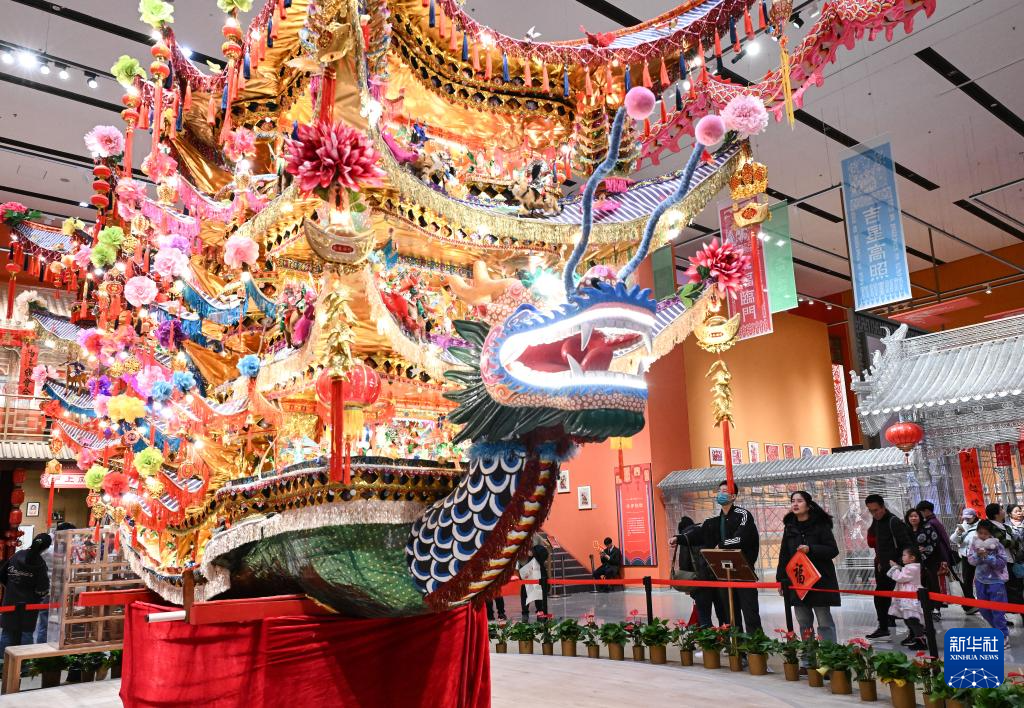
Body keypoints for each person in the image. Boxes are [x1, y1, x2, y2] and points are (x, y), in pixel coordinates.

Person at [776, 491, 840, 657]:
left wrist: (811, 549)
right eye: (793, 501)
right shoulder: (790, 527)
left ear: (808, 505)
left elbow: (833, 550)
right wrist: (781, 580)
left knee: (824, 621)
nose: (795, 504)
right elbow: (784, 555)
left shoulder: (821, 525)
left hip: (819, 581)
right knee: (804, 622)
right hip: (798, 581)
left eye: (799, 501)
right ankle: (808, 660)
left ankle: (830, 658)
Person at [701, 481, 761, 633]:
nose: (720, 494)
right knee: (731, 614)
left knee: (750, 613)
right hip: (724, 572)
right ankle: (736, 644)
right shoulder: (717, 519)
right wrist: (679, 538)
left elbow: (741, 538)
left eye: (725, 491)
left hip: (743, 571)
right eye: (719, 491)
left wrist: (721, 546)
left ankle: (755, 644)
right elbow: (699, 532)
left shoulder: (743, 514)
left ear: (733, 496)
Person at [865, 494, 913, 638]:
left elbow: (906, 545)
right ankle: (883, 626)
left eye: (876, 510)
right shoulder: (877, 522)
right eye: (871, 511)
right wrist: (880, 561)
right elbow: (880, 545)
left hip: (898, 568)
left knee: (906, 601)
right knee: (880, 597)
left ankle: (915, 633)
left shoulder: (893, 521)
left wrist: (899, 563)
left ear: (883, 507)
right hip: (885, 568)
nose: (874, 513)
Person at [0, 534, 52, 662]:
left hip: (10, 601)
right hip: (29, 604)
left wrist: (11, 587)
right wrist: (37, 596)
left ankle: (3, 663)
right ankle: (24, 665)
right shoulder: (40, 564)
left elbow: (2, 575)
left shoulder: (17, 555)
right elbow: (43, 588)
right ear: (46, 548)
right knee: (26, 633)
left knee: (7, 632)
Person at [670, 516, 725, 627]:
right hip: (716, 577)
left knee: (704, 615)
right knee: (722, 612)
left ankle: (708, 637)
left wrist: (688, 586)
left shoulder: (685, 537)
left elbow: (684, 562)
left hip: (699, 580)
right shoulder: (704, 531)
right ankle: (725, 634)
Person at [968, 520, 1011, 645]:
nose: (982, 536)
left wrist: (987, 557)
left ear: (990, 534)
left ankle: (1003, 635)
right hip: (980, 580)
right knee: (984, 610)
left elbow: (1001, 563)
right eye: (980, 533)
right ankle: (997, 630)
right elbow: (971, 561)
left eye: (985, 533)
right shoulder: (974, 544)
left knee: (998, 611)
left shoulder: (997, 545)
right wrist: (977, 555)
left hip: (996, 581)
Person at [34, 522, 75, 644]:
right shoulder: (55, 549)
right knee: (48, 621)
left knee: (46, 621)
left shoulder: (48, 549)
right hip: (52, 590)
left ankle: (45, 646)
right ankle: (46, 646)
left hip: (49, 590)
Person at [886, 546, 928, 650]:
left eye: (904, 555)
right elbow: (903, 573)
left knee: (912, 618)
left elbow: (900, 577)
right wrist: (898, 567)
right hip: (906, 597)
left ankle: (920, 640)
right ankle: (913, 636)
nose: (902, 557)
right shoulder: (910, 567)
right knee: (908, 618)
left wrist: (895, 568)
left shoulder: (913, 568)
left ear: (912, 558)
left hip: (910, 597)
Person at [905, 508, 942, 607]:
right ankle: (922, 606)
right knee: (918, 584)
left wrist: (925, 549)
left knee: (932, 583)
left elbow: (935, 542)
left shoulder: (927, 527)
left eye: (915, 516)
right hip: (913, 562)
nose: (913, 518)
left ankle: (936, 607)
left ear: (920, 517)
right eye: (911, 516)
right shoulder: (906, 529)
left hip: (929, 560)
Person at [916, 501, 953, 600]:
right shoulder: (935, 521)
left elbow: (936, 543)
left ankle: (938, 602)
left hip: (938, 556)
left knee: (936, 582)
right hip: (944, 554)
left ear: (926, 511)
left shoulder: (930, 523)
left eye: (920, 512)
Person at [951, 508, 981, 614]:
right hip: (966, 556)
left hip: (979, 556)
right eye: (965, 518)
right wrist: (958, 533)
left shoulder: (981, 525)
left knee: (981, 579)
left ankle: (985, 602)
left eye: (969, 517)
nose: (967, 520)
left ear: (975, 516)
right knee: (967, 580)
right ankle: (969, 605)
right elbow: (953, 540)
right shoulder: (963, 525)